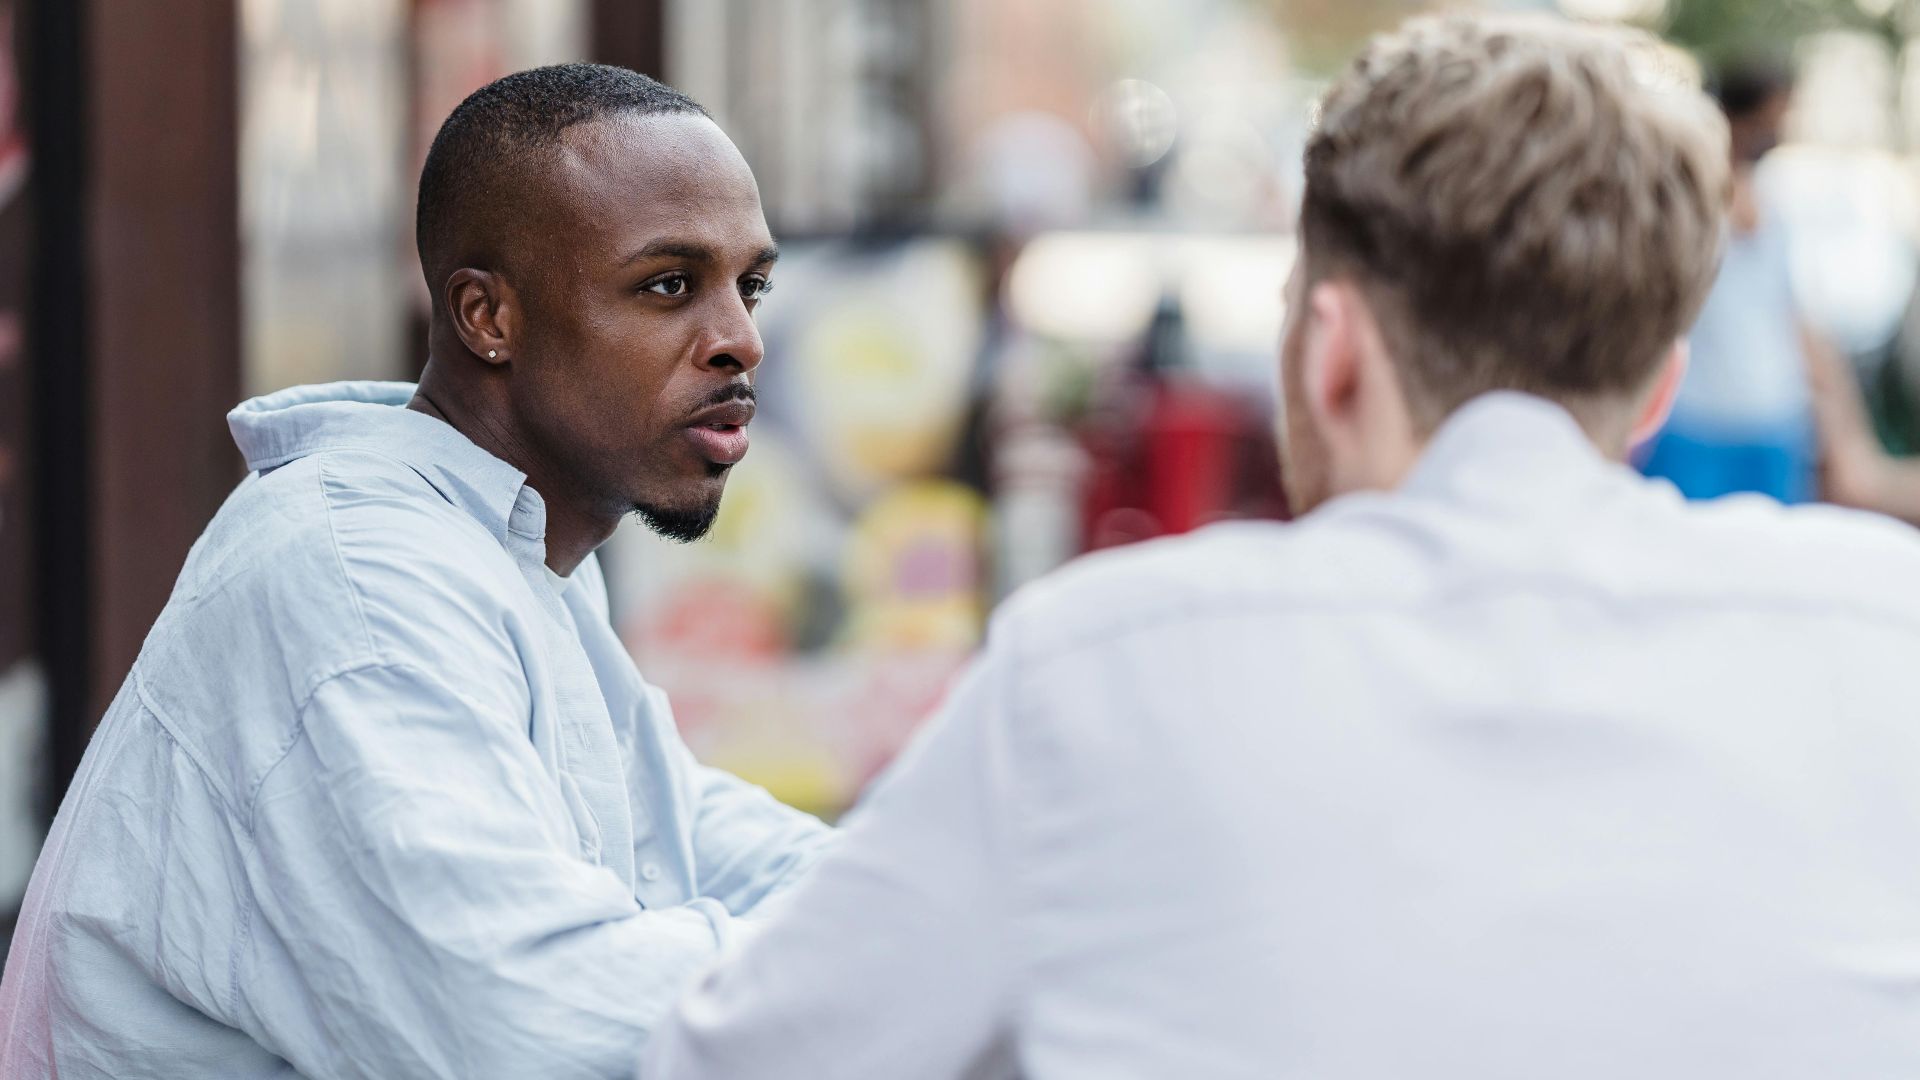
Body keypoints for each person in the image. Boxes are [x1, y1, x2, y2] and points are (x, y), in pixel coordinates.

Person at [642, 16, 1920, 1079]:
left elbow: (744, 1060)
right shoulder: (1887, 633)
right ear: (1656, 397)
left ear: (1333, 348)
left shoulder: (1102, 666)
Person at [0, 65, 832, 1079]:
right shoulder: (361, 583)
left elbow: (691, 839)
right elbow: (526, 1028)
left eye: (750, 286)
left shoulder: (502, 552)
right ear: (488, 317)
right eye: (668, 286)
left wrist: (923, 913)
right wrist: (876, 961)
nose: (739, 341)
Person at [1639, 55, 1831, 503]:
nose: (1782, 127)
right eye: (1777, 113)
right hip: (1696, 425)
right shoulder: (1676, 195)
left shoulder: (1774, 200)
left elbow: (1791, 312)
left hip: (1775, 423)